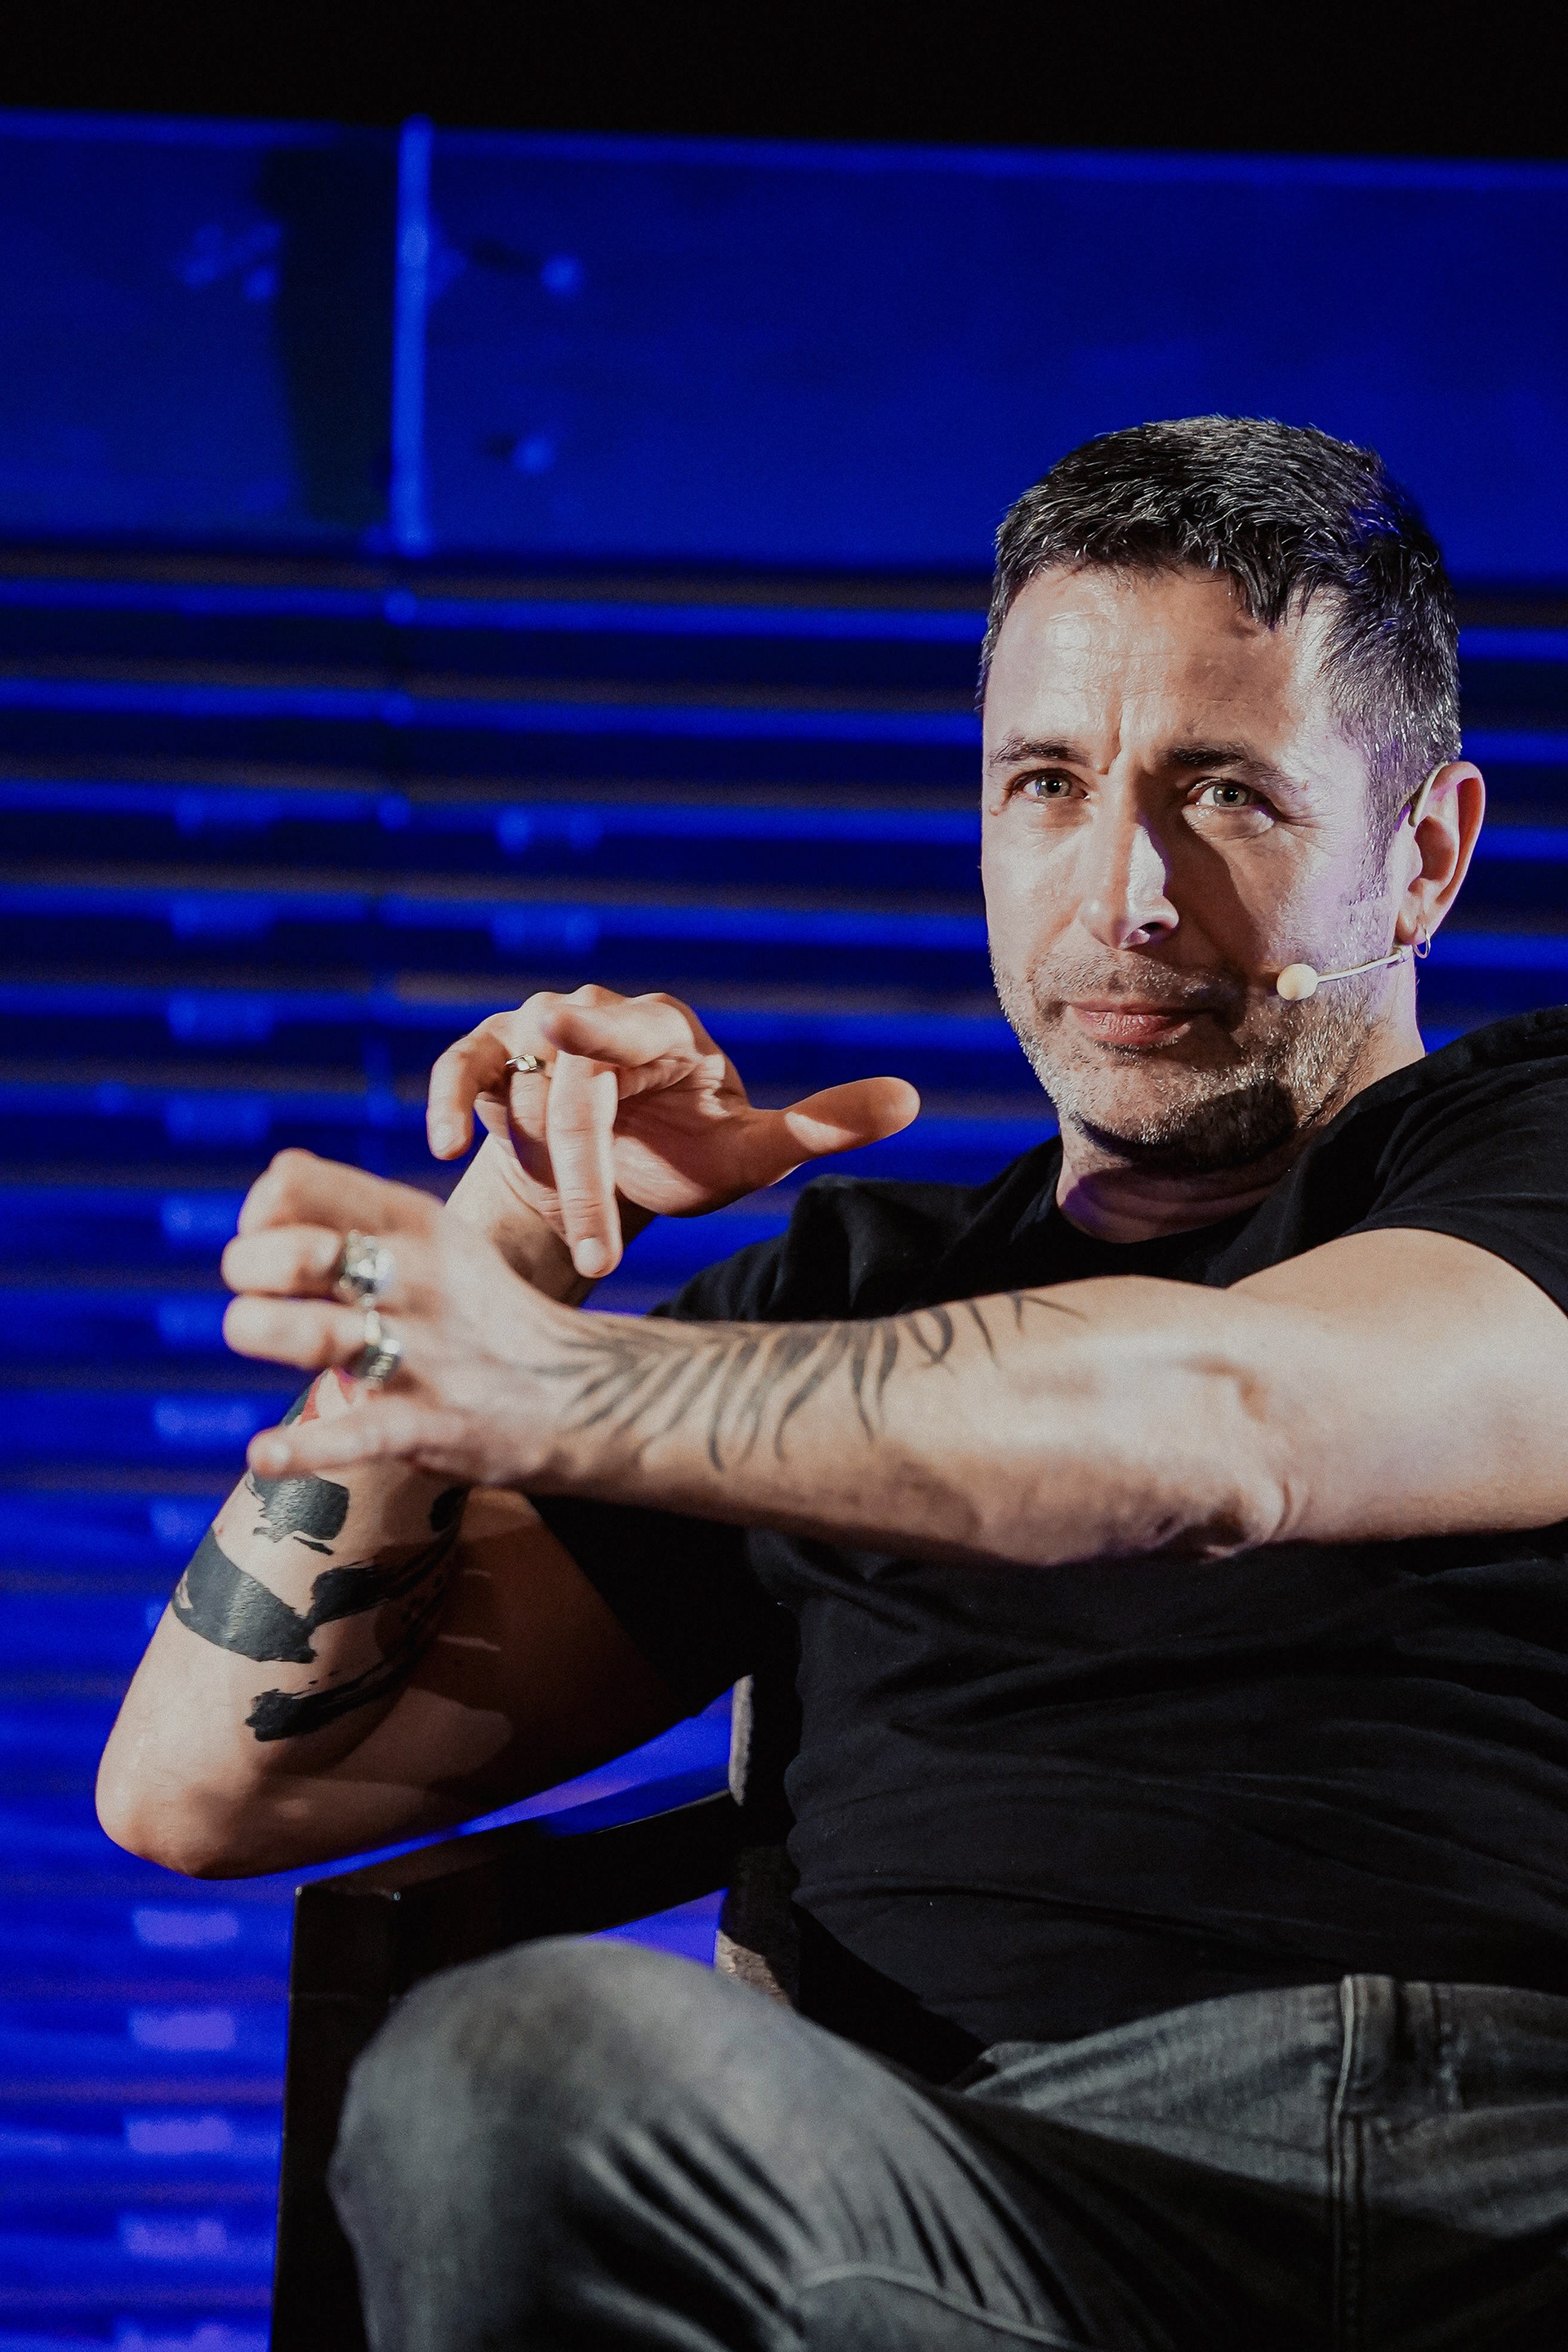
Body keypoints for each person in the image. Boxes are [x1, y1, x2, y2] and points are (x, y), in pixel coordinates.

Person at [98, 417, 1568, 2350]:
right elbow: (200, 1789)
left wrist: (564, 1383)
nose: (1124, 893)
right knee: (513, 2059)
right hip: (968, 2222)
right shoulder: (843, 1299)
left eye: (1225, 792)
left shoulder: (1522, 1155)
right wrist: (510, 1243)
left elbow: (1229, 1426)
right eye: (1048, 784)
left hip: (1508, 2171)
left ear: (1426, 854)